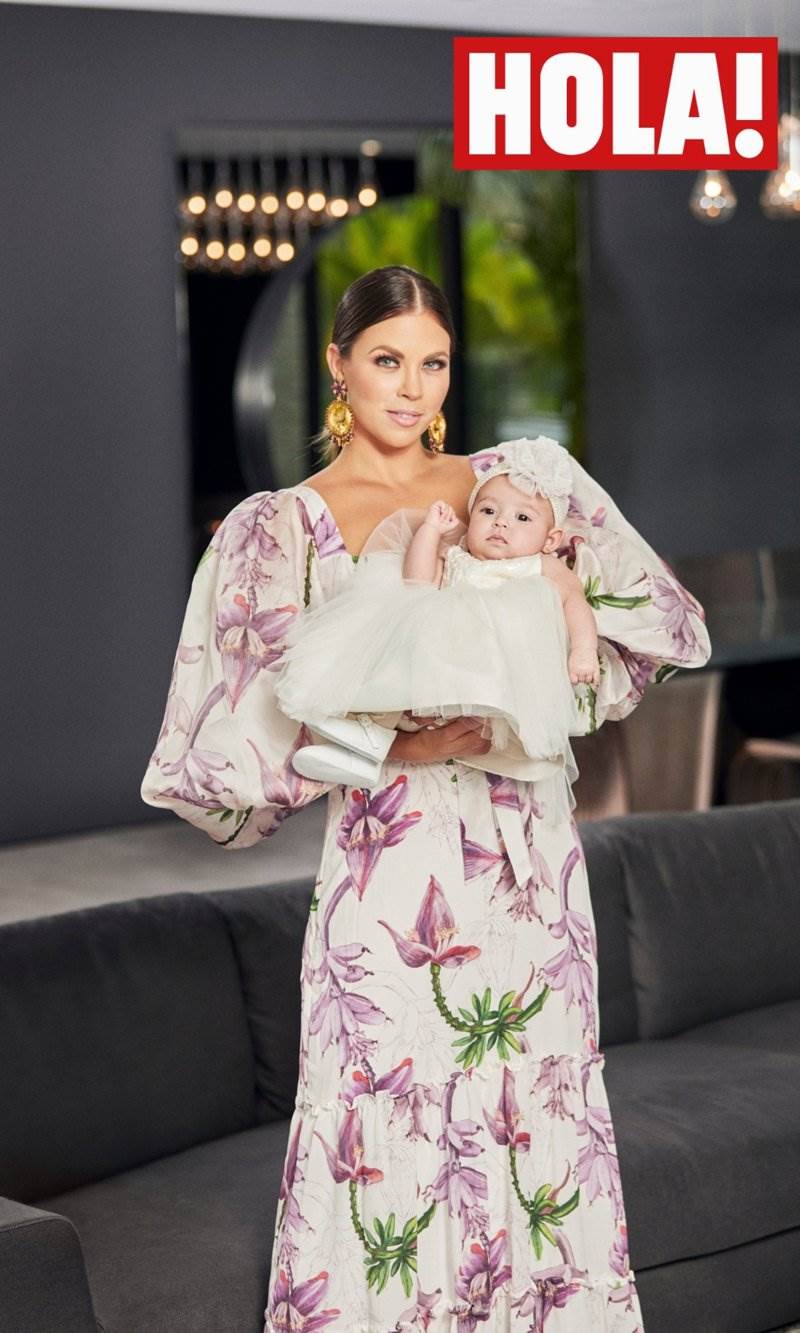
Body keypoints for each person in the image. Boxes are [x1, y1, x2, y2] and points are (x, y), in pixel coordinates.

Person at [140, 264, 711, 1332]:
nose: (411, 387)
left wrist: (532, 707)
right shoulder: (283, 530)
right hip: (392, 871)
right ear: (337, 365)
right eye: (387, 360)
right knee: (385, 1130)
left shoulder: (517, 486)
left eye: (433, 362)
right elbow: (236, 748)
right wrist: (402, 744)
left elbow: (650, 627)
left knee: (535, 1119)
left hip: (527, 864)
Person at [274, 435, 601, 805]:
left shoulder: (541, 567)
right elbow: (416, 584)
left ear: (551, 539)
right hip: (439, 666)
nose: (501, 523)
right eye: (488, 511)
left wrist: (583, 651)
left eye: (522, 518)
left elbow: (575, 604)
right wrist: (430, 532)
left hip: (496, 677)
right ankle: (369, 741)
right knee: (384, 671)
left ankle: (372, 748)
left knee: (493, 728)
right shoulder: (458, 557)